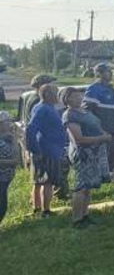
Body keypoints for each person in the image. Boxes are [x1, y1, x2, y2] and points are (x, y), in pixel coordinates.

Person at [61, 85, 114, 228]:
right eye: (74, 95)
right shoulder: (70, 115)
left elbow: (97, 126)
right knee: (81, 187)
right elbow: (78, 139)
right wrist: (100, 139)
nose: (79, 97)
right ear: (67, 99)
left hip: (95, 153)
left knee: (88, 186)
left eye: (79, 94)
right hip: (83, 155)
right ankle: (77, 219)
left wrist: (104, 134)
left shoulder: (84, 111)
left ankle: (85, 215)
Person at [25, 82, 67, 217]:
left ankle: (37, 208)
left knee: (39, 180)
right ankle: (45, 210)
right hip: (47, 149)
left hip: (47, 148)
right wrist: (34, 149)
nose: (58, 96)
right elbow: (31, 129)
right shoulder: (43, 109)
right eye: (56, 93)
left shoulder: (44, 107)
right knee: (47, 181)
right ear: (48, 94)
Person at [85, 62, 114, 136]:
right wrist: (99, 130)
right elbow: (88, 112)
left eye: (110, 71)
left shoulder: (111, 89)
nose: (111, 73)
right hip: (101, 132)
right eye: (107, 71)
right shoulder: (94, 89)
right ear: (99, 74)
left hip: (112, 130)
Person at [0, 110, 19, 225]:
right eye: (7, 121)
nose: (10, 123)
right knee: (1, 204)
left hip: (6, 177)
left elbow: (17, 156)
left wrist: (15, 138)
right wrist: (10, 162)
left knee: (3, 203)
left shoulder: (9, 137)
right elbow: (14, 160)